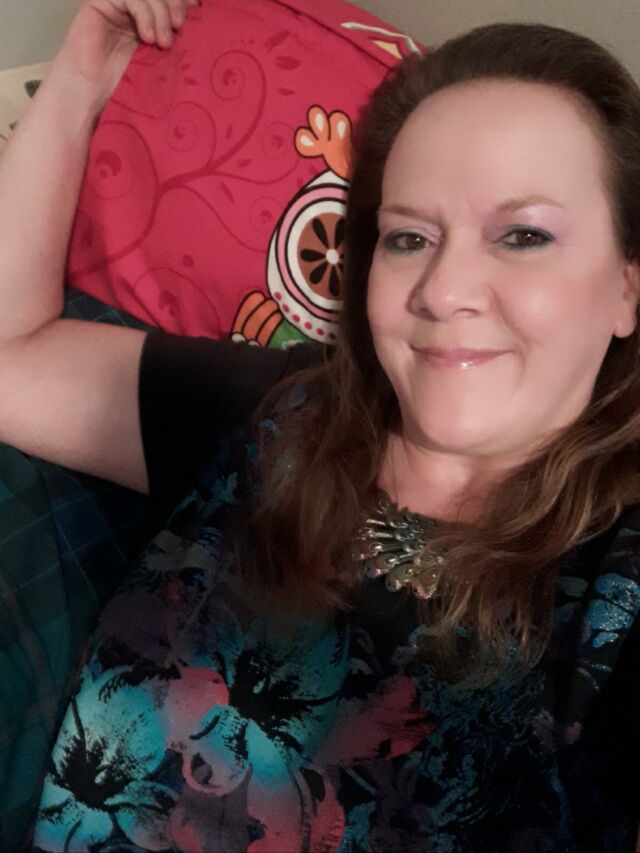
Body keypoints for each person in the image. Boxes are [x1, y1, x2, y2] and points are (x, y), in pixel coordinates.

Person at [0, 0, 639, 849]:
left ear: (628, 286)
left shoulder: (616, 589)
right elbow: (11, 358)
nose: (444, 289)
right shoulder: (280, 412)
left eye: (522, 235)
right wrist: (81, 77)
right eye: (409, 238)